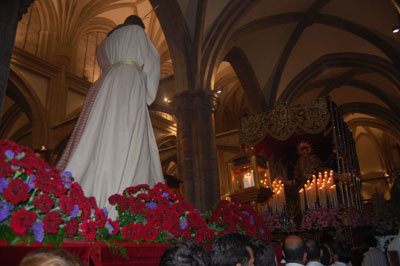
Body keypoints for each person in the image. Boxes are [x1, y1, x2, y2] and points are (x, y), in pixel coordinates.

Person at [56, 15, 164, 217]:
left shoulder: (106, 42)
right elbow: (152, 61)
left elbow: (104, 65)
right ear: (139, 25)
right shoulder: (137, 32)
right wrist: (148, 95)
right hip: (128, 83)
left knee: (100, 135)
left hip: (106, 86)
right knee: (129, 134)